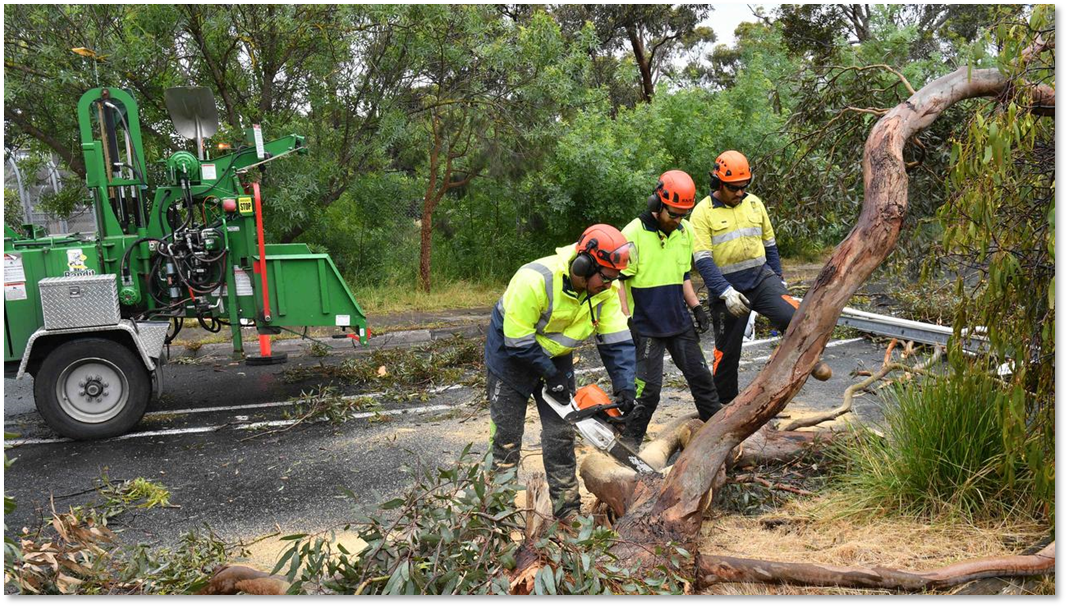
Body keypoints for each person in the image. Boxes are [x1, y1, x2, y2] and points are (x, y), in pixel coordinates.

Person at [484, 224, 637, 518]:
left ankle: (567, 511)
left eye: (614, 278)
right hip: (510, 355)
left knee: (561, 434)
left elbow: (617, 339)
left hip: (557, 358)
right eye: (605, 277)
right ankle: (496, 515)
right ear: (584, 265)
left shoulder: (605, 289)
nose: (609, 284)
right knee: (506, 437)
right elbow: (517, 340)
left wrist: (625, 386)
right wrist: (548, 373)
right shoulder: (534, 279)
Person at [690, 150, 830, 404]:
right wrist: (725, 292)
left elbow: (770, 245)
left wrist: (779, 279)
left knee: (796, 316)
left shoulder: (754, 204)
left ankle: (809, 360)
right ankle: (724, 405)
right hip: (727, 288)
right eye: (734, 188)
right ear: (717, 183)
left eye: (744, 187)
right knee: (727, 353)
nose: (739, 193)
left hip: (761, 278)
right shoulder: (702, 212)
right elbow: (703, 260)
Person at [618, 170, 721, 447]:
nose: (677, 221)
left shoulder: (684, 231)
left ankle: (720, 437)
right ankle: (628, 443)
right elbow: (619, 282)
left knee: (702, 378)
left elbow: (683, 275)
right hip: (646, 325)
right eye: (673, 214)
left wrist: (696, 307)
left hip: (679, 321)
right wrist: (626, 320)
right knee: (649, 391)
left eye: (682, 215)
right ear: (657, 204)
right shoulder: (633, 234)